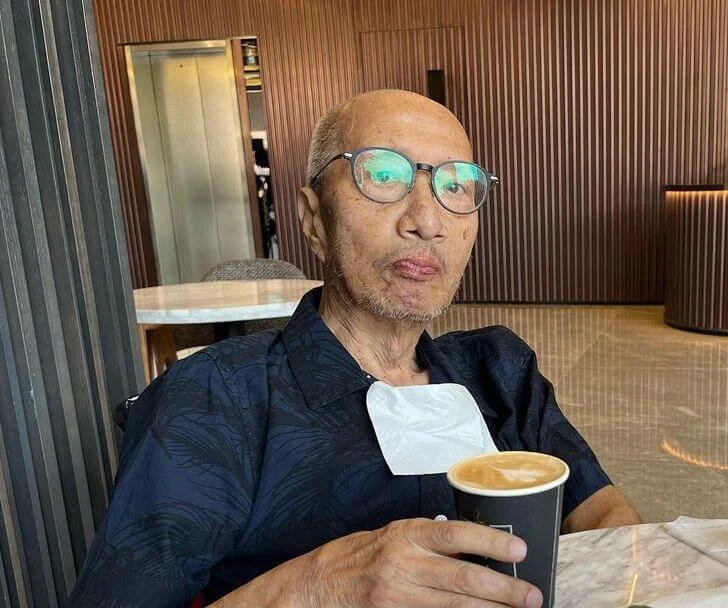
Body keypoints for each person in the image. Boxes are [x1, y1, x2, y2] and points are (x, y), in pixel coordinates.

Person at [68, 89, 640, 608]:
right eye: (383, 176)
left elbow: (608, 515)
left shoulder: (501, 370)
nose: (426, 221)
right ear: (313, 218)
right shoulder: (215, 399)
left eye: (455, 186)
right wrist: (313, 587)